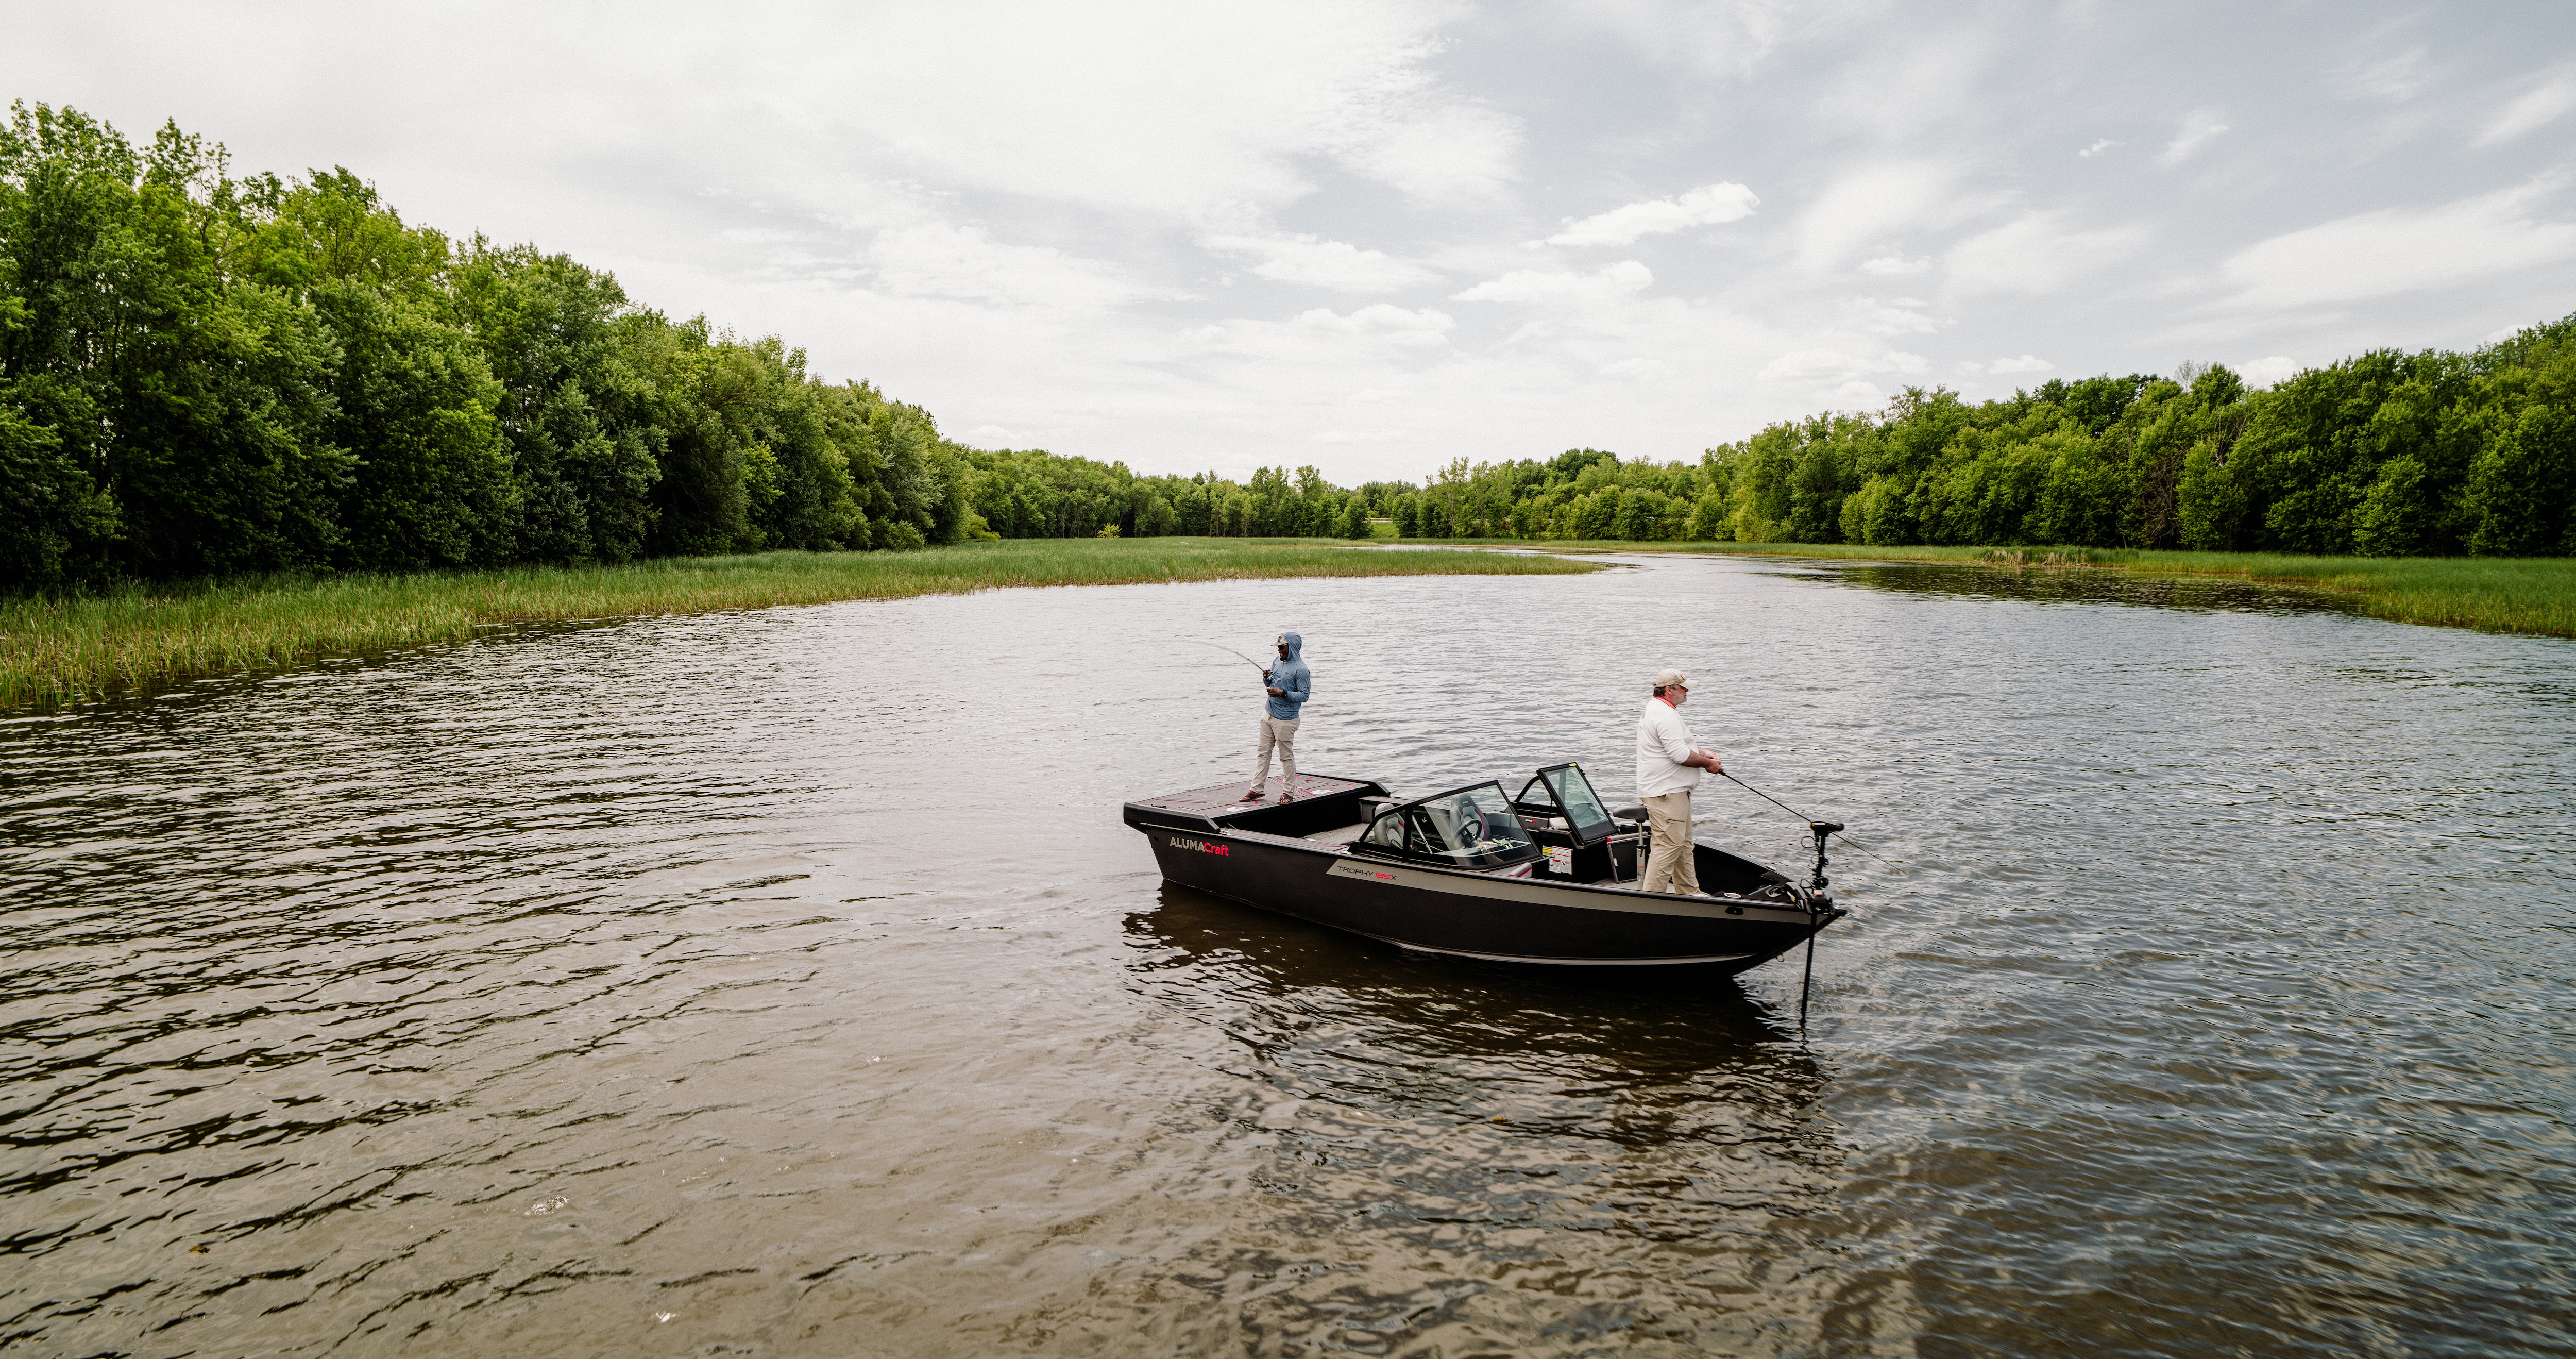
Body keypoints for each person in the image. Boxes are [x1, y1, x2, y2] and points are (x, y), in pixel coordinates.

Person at [1634, 667, 1723, 893]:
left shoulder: (1657, 708)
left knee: (1683, 845)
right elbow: (1680, 755)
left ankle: (1690, 893)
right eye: (1683, 688)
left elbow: (1673, 746)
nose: (1687, 691)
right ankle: (1649, 902)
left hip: (1674, 792)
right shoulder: (1664, 714)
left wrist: (1703, 752)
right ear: (1669, 689)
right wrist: (1708, 764)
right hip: (1666, 793)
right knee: (1668, 847)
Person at [1242, 632, 1312, 802]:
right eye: (1278, 647)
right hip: (1268, 714)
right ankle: (1257, 789)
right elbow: (1271, 683)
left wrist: (1283, 693)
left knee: (1286, 756)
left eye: (1282, 647)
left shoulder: (1301, 670)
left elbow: (1304, 695)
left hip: (1286, 720)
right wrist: (1267, 679)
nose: (1279, 650)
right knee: (1263, 753)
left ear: (1292, 648)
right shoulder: (1277, 661)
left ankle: (1288, 792)